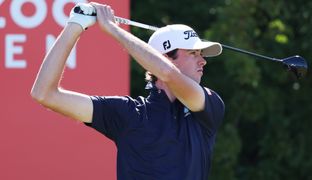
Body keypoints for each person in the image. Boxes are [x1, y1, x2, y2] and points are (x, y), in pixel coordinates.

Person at [31, 2, 225, 180]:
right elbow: (45, 94)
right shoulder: (128, 113)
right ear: (166, 56)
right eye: (193, 53)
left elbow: (168, 74)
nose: (203, 61)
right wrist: (75, 24)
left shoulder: (209, 106)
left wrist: (113, 29)